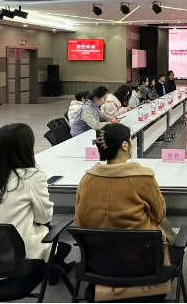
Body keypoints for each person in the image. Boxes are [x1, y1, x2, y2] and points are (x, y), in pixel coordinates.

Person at [75, 123, 176, 301]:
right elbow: (159, 215)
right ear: (124, 145)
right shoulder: (142, 178)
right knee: (168, 232)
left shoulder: (86, 180)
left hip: (99, 265)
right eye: (130, 140)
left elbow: (80, 221)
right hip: (142, 264)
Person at [0, 123, 74, 274]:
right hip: (15, 260)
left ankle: (56, 270)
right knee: (52, 239)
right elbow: (44, 218)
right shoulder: (31, 177)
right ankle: (54, 270)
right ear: (26, 148)